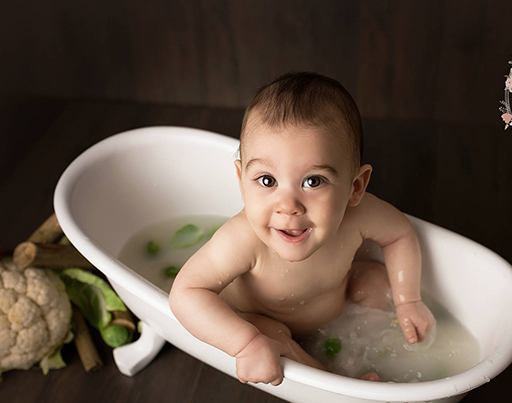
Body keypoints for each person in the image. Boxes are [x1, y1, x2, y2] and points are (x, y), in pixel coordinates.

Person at [168, 71, 435, 386]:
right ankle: (337, 383)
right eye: (267, 180)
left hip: (335, 309)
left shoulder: (360, 216)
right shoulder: (242, 239)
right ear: (241, 181)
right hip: (265, 323)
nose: (288, 205)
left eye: (314, 181)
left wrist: (408, 301)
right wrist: (244, 343)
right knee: (269, 335)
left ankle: (367, 351)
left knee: (375, 279)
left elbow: (399, 234)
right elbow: (186, 293)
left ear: (355, 187)